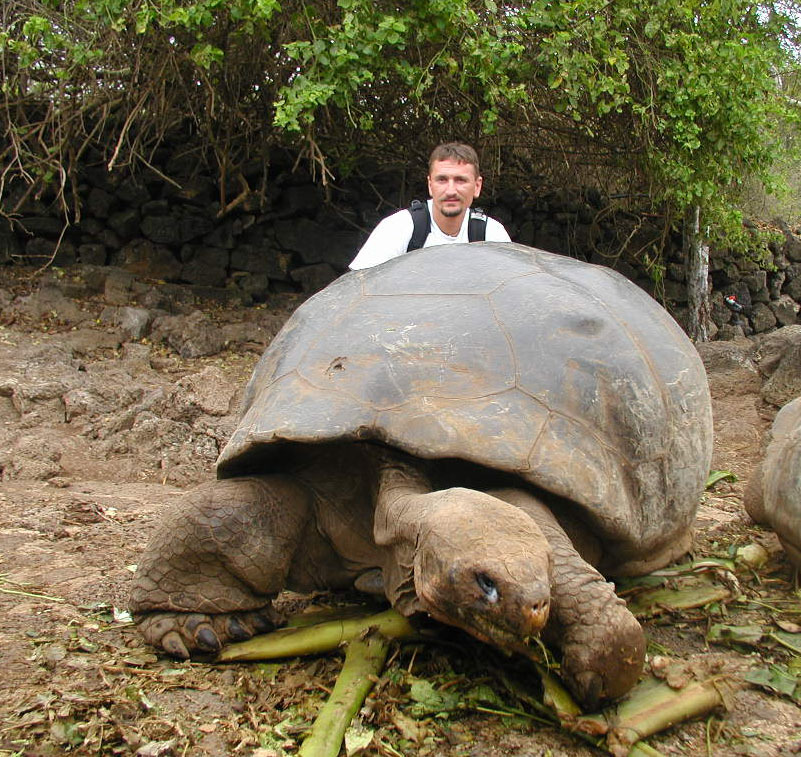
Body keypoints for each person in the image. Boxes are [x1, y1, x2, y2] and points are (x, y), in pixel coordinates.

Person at [348, 142, 511, 270]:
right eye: (442, 180)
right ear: (430, 185)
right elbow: (357, 286)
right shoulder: (398, 228)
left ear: (477, 186)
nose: (451, 190)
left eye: (460, 180)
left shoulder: (492, 235)